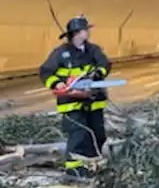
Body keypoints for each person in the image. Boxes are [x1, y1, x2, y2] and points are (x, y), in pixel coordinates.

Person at [38, 15, 112, 179]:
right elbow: (46, 72)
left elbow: (105, 64)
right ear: (77, 33)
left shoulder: (94, 50)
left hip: (94, 102)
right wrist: (58, 84)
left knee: (97, 135)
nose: (87, 33)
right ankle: (75, 171)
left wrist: (98, 74)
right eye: (85, 30)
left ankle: (95, 166)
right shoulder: (60, 53)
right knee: (78, 136)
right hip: (71, 104)